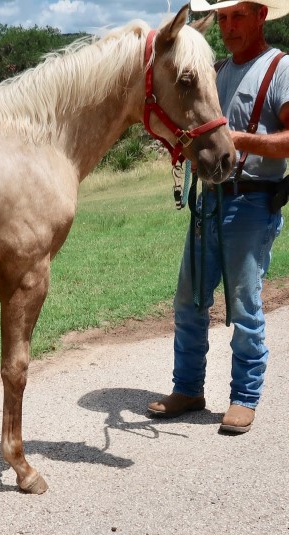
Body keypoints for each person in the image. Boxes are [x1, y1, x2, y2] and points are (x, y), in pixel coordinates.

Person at [147, 0, 289, 433]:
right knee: (189, 301)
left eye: (238, 16)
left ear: (261, 15)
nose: (228, 26)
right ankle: (188, 388)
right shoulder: (217, 68)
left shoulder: (280, 68)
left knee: (244, 307)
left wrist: (240, 138)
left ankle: (244, 397)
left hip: (251, 200)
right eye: (223, 18)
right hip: (208, 201)